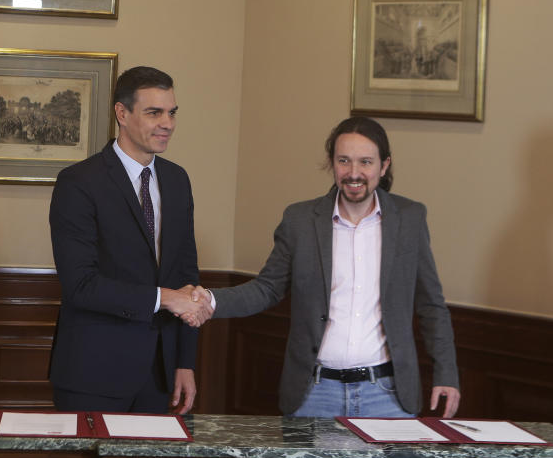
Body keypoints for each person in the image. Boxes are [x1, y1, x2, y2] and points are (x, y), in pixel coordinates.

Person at [190, 116, 460, 419]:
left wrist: (446, 373)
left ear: (384, 166)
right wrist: (210, 301)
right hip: (314, 395)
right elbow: (267, 289)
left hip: (388, 397)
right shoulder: (300, 220)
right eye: (344, 161)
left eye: (365, 162)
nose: (354, 173)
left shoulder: (409, 218)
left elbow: (431, 305)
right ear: (332, 163)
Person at [47, 67, 207, 458]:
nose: (167, 123)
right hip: (92, 372)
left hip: (159, 374)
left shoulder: (177, 180)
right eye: (154, 112)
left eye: (172, 112)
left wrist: (184, 362)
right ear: (121, 112)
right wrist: (164, 298)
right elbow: (80, 286)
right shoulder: (78, 183)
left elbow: (187, 278)